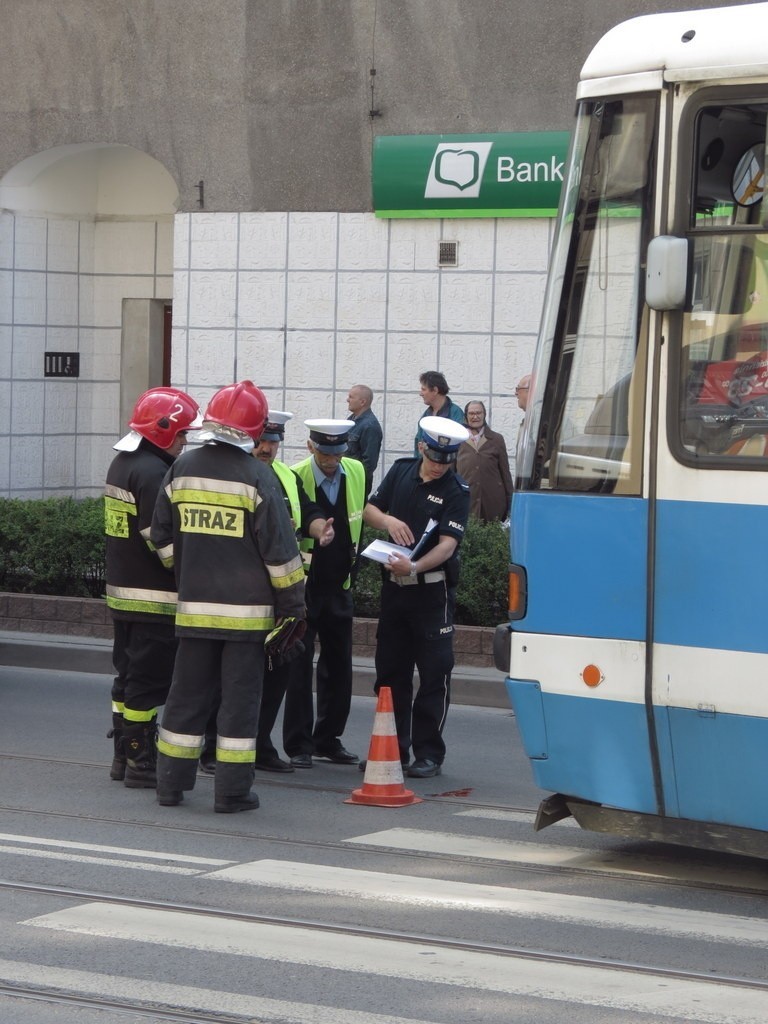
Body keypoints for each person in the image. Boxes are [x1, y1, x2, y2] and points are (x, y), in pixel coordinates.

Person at [150, 381, 305, 813]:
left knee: (185, 697)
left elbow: (160, 535)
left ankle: (169, 785)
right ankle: (232, 792)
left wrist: (184, 571)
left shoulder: (181, 468)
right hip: (247, 619)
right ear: (253, 431)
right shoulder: (258, 476)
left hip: (194, 610)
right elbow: (281, 553)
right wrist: (293, 607)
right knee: (239, 706)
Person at [199, 410, 335, 774]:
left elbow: (308, 510)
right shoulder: (237, 474)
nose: (267, 448)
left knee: (279, 668)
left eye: (273, 442)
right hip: (242, 592)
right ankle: (212, 747)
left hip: (283, 595)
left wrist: (320, 527)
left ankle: (260, 743)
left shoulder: (287, 476)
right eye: (262, 441)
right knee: (230, 673)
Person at [104, 386, 202, 789]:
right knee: (146, 685)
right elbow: (162, 543)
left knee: (126, 679)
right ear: (162, 431)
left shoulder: (122, 463)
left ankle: (121, 757)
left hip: (123, 594)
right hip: (154, 601)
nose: (183, 443)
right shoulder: (152, 473)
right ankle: (140, 762)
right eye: (180, 435)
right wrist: (196, 574)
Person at [363, 415, 470, 778]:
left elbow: (447, 546)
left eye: (447, 460)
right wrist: (389, 522)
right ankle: (392, 746)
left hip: (431, 593)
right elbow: (370, 510)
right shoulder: (401, 471)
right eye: (435, 457)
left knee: (433, 674)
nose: (440, 466)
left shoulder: (457, 490)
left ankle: (428, 754)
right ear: (422, 447)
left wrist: (415, 567)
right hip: (394, 592)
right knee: (390, 673)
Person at [284, 419, 367, 768]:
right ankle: (299, 744)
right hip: (305, 585)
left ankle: (328, 738)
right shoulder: (294, 475)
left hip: (339, 583)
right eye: (325, 452)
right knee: (299, 666)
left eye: (338, 452)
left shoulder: (357, 471)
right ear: (310, 447)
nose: (332, 460)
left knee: (339, 665)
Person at [456, 401, 513, 522]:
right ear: (466, 416)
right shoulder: (458, 440)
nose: (475, 416)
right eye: (471, 413)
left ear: (484, 414)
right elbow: (451, 472)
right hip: (467, 501)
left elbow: (505, 474)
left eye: (478, 413)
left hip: (493, 503)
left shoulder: (496, 439)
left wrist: (511, 503)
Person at [345, 384, 383, 497]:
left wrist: (355, 479)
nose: (347, 400)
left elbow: (369, 463)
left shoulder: (370, 426)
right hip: (345, 479)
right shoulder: (351, 420)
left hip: (355, 483)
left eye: (351, 397)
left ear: (362, 402)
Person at [414, 370, 465, 453]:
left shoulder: (456, 414)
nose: (421, 393)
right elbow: (418, 448)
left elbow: (462, 447)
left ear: (435, 390)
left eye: (423, 389)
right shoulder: (425, 416)